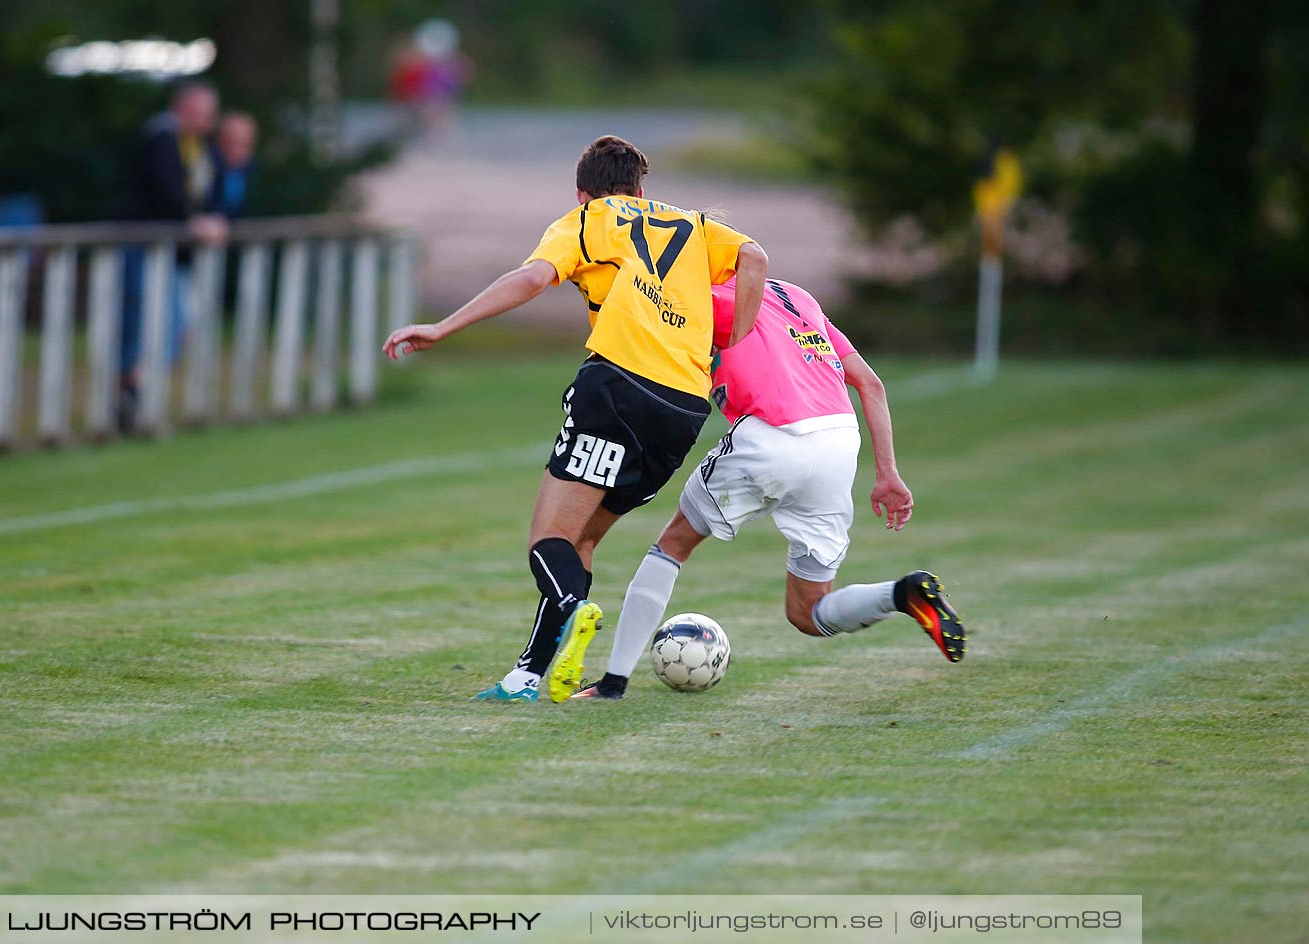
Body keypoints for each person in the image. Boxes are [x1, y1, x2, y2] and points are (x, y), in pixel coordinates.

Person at [384, 135, 769, 703]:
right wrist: (730, 342)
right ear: (642, 190)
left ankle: (571, 606)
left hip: (616, 387)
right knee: (582, 541)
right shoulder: (692, 224)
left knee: (549, 540)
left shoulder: (586, 219)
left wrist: (443, 327)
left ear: (583, 192)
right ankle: (527, 677)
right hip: (684, 407)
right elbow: (755, 258)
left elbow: (534, 277)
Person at [572, 275, 964, 702]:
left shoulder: (704, 296)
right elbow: (870, 384)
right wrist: (887, 473)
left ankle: (612, 684)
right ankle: (903, 593)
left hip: (772, 438)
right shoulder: (799, 296)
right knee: (808, 612)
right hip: (837, 441)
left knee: (672, 546)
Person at [117, 82, 228, 431]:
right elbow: (166, 191)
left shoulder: (195, 146)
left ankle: (136, 391)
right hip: (147, 247)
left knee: (179, 326)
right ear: (180, 108)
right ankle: (130, 392)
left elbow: (202, 192)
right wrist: (193, 220)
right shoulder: (162, 138)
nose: (205, 121)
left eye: (209, 115)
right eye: (198, 113)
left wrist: (210, 218)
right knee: (148, 324)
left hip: (174, 254)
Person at [209, 111, 257, 219]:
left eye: (244, 144)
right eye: (232, 142)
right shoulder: (206, 169)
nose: (237, 150)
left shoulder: (258, 175)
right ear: (219, 141)